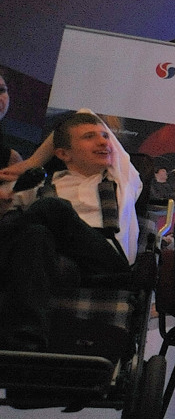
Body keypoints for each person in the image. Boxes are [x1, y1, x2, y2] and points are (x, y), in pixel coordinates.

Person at [0, 111, 144, 351]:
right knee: (35, 234)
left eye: (104, 136)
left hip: (105, 263)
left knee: (52, 208)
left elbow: (85, 112)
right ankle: (27, 338)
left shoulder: (123, 179)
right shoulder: (40, 185)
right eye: (89, 137)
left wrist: (31, 162)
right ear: (63, 154)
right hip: (55, 266)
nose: (103, 142)